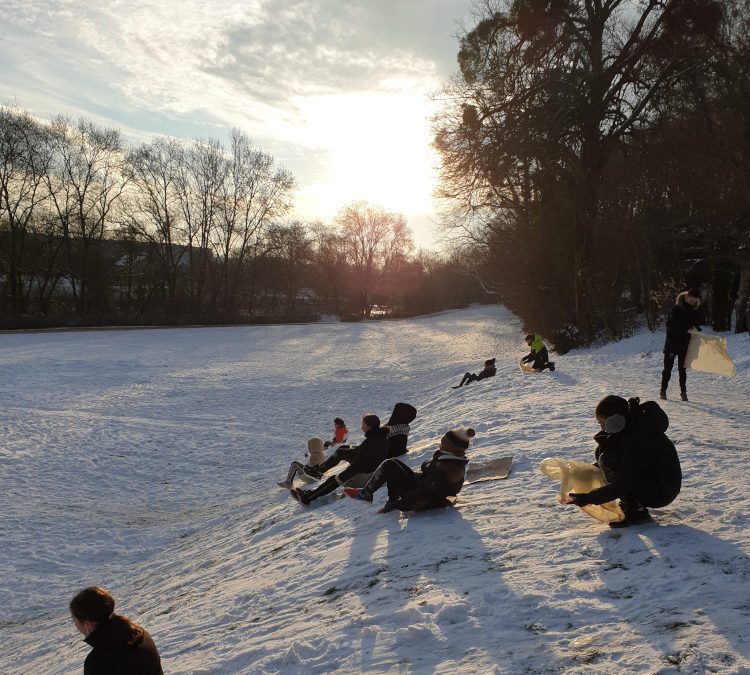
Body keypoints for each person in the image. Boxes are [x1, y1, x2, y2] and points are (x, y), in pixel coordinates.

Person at [564, 395, 682, 528]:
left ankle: (636, 510)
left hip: (661, 491)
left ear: (616, 420)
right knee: (603, 452)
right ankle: (632, 503)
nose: (602, 428)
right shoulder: (630, 428)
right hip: (653, 482)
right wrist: (583, 472)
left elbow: (624, 482)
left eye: (603, 423)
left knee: (607, 460)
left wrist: (589, 498)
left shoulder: (638, 438)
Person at [345, 427, 474, 514]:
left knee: (389, 466)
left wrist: (396, 506)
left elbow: (424, 496)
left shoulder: (445, 468)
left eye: (443, 443)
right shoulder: (451, 460)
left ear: (450, 447)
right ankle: (376, 495)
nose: (440, 445)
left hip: (422, 498)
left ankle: (368, 494)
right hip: (421, 486)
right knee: (392, 464)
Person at [290, 413, 388, 506]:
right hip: (369, 467)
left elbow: (357, 466)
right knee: (342, 450)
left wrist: (341, 477)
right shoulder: (378, 436)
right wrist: (350, 448)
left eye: (363, 425)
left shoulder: (370, 442)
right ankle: (318, 474)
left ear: (370, 427)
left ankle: (309, 497)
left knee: (334, 479)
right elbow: (364, 452)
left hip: (365, 476)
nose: (361, 427)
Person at [70, 586, 163, 675]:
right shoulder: (139, 633)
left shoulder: (98, 663)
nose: (75, 625)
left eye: (75, 620)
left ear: (87, 624)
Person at [661, 288, 701, 401]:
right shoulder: (676, 309)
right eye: (691, 300)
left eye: (694, 301)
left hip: (684, 344)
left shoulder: (693, 311)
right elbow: (670, 326)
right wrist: (685, 328)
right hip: (672, 344)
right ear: (687, 297)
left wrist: (695, 327)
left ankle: (683, 392)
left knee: (682, 370)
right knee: (667, 369)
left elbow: (691, 323)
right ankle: (663, 390)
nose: (692, 303)